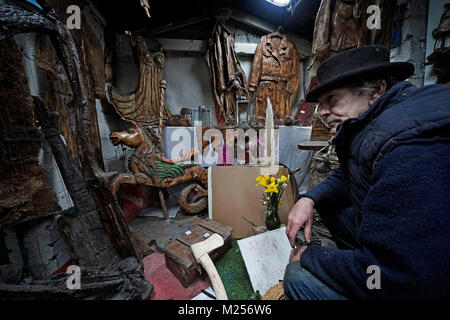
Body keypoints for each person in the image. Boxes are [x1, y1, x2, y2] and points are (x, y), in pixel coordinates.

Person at [283, 45, 450, 300]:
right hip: (411, 258)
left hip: (414, 282)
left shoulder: (409, 148)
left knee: (297, 276)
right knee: (330, 204)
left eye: (332, 99)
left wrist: (310, 256)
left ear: (375, 91)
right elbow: (351, 173)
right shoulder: (384, 122)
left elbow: (399, 277)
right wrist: (310, 198)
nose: (323, 113)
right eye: (321, 104)